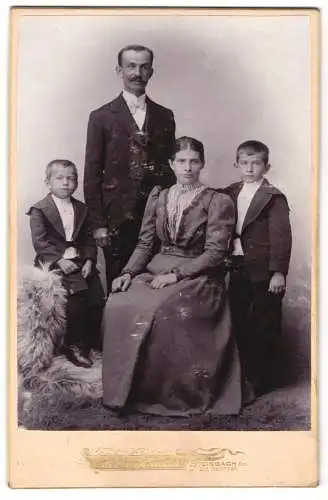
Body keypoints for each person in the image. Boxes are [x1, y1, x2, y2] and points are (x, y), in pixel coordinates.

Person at [102, 136, 254, 417]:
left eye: (194, 161)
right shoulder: (158, 197)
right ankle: (127, 391)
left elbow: (215, 253)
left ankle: (170, 394)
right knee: (118, 303)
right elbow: (146, 243)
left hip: (200, 276)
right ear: (171, 164)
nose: (188, 167)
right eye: (181, 161)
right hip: (155, 271)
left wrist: (176, 275)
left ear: (202, 164)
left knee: (161, 308)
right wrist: (127, 272)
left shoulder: (217, 201)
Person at [83, 44, 176, 294]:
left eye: (144, 67)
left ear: (151, 72)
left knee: (154, 284)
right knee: (117, 284)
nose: (137, 72)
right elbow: (92, 175)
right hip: (116, 219)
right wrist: (98, 224)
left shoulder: (165, 116)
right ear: (119, 70)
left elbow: (169, 170)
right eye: (131, 66)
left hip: (155, 216)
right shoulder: (100, 116)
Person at [224, 140, 292, 396]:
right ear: (236, 165)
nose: (250, 168)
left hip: (264, 269)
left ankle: (263, 379)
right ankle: (240, 378)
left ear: (267, 166)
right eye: (244, 163)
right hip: (238, 265)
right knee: (238, 319)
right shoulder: (230, 192)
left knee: (265, 323)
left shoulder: (273, 197)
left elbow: (281, 237)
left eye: (256, 163)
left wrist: (278, 272)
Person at [27, 160, 105, 368]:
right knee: (76, 298)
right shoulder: (40, 210)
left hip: (79, 260)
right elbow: (40, 242)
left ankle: (90, 341)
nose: (66, 183)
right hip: (54, 262)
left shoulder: (81, 208)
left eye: (71, 178)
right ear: (48, 182)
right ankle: (73, 345)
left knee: (97, 297)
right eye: (59, 178)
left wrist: (89, 259)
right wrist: (60, 260)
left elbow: (89, 239)